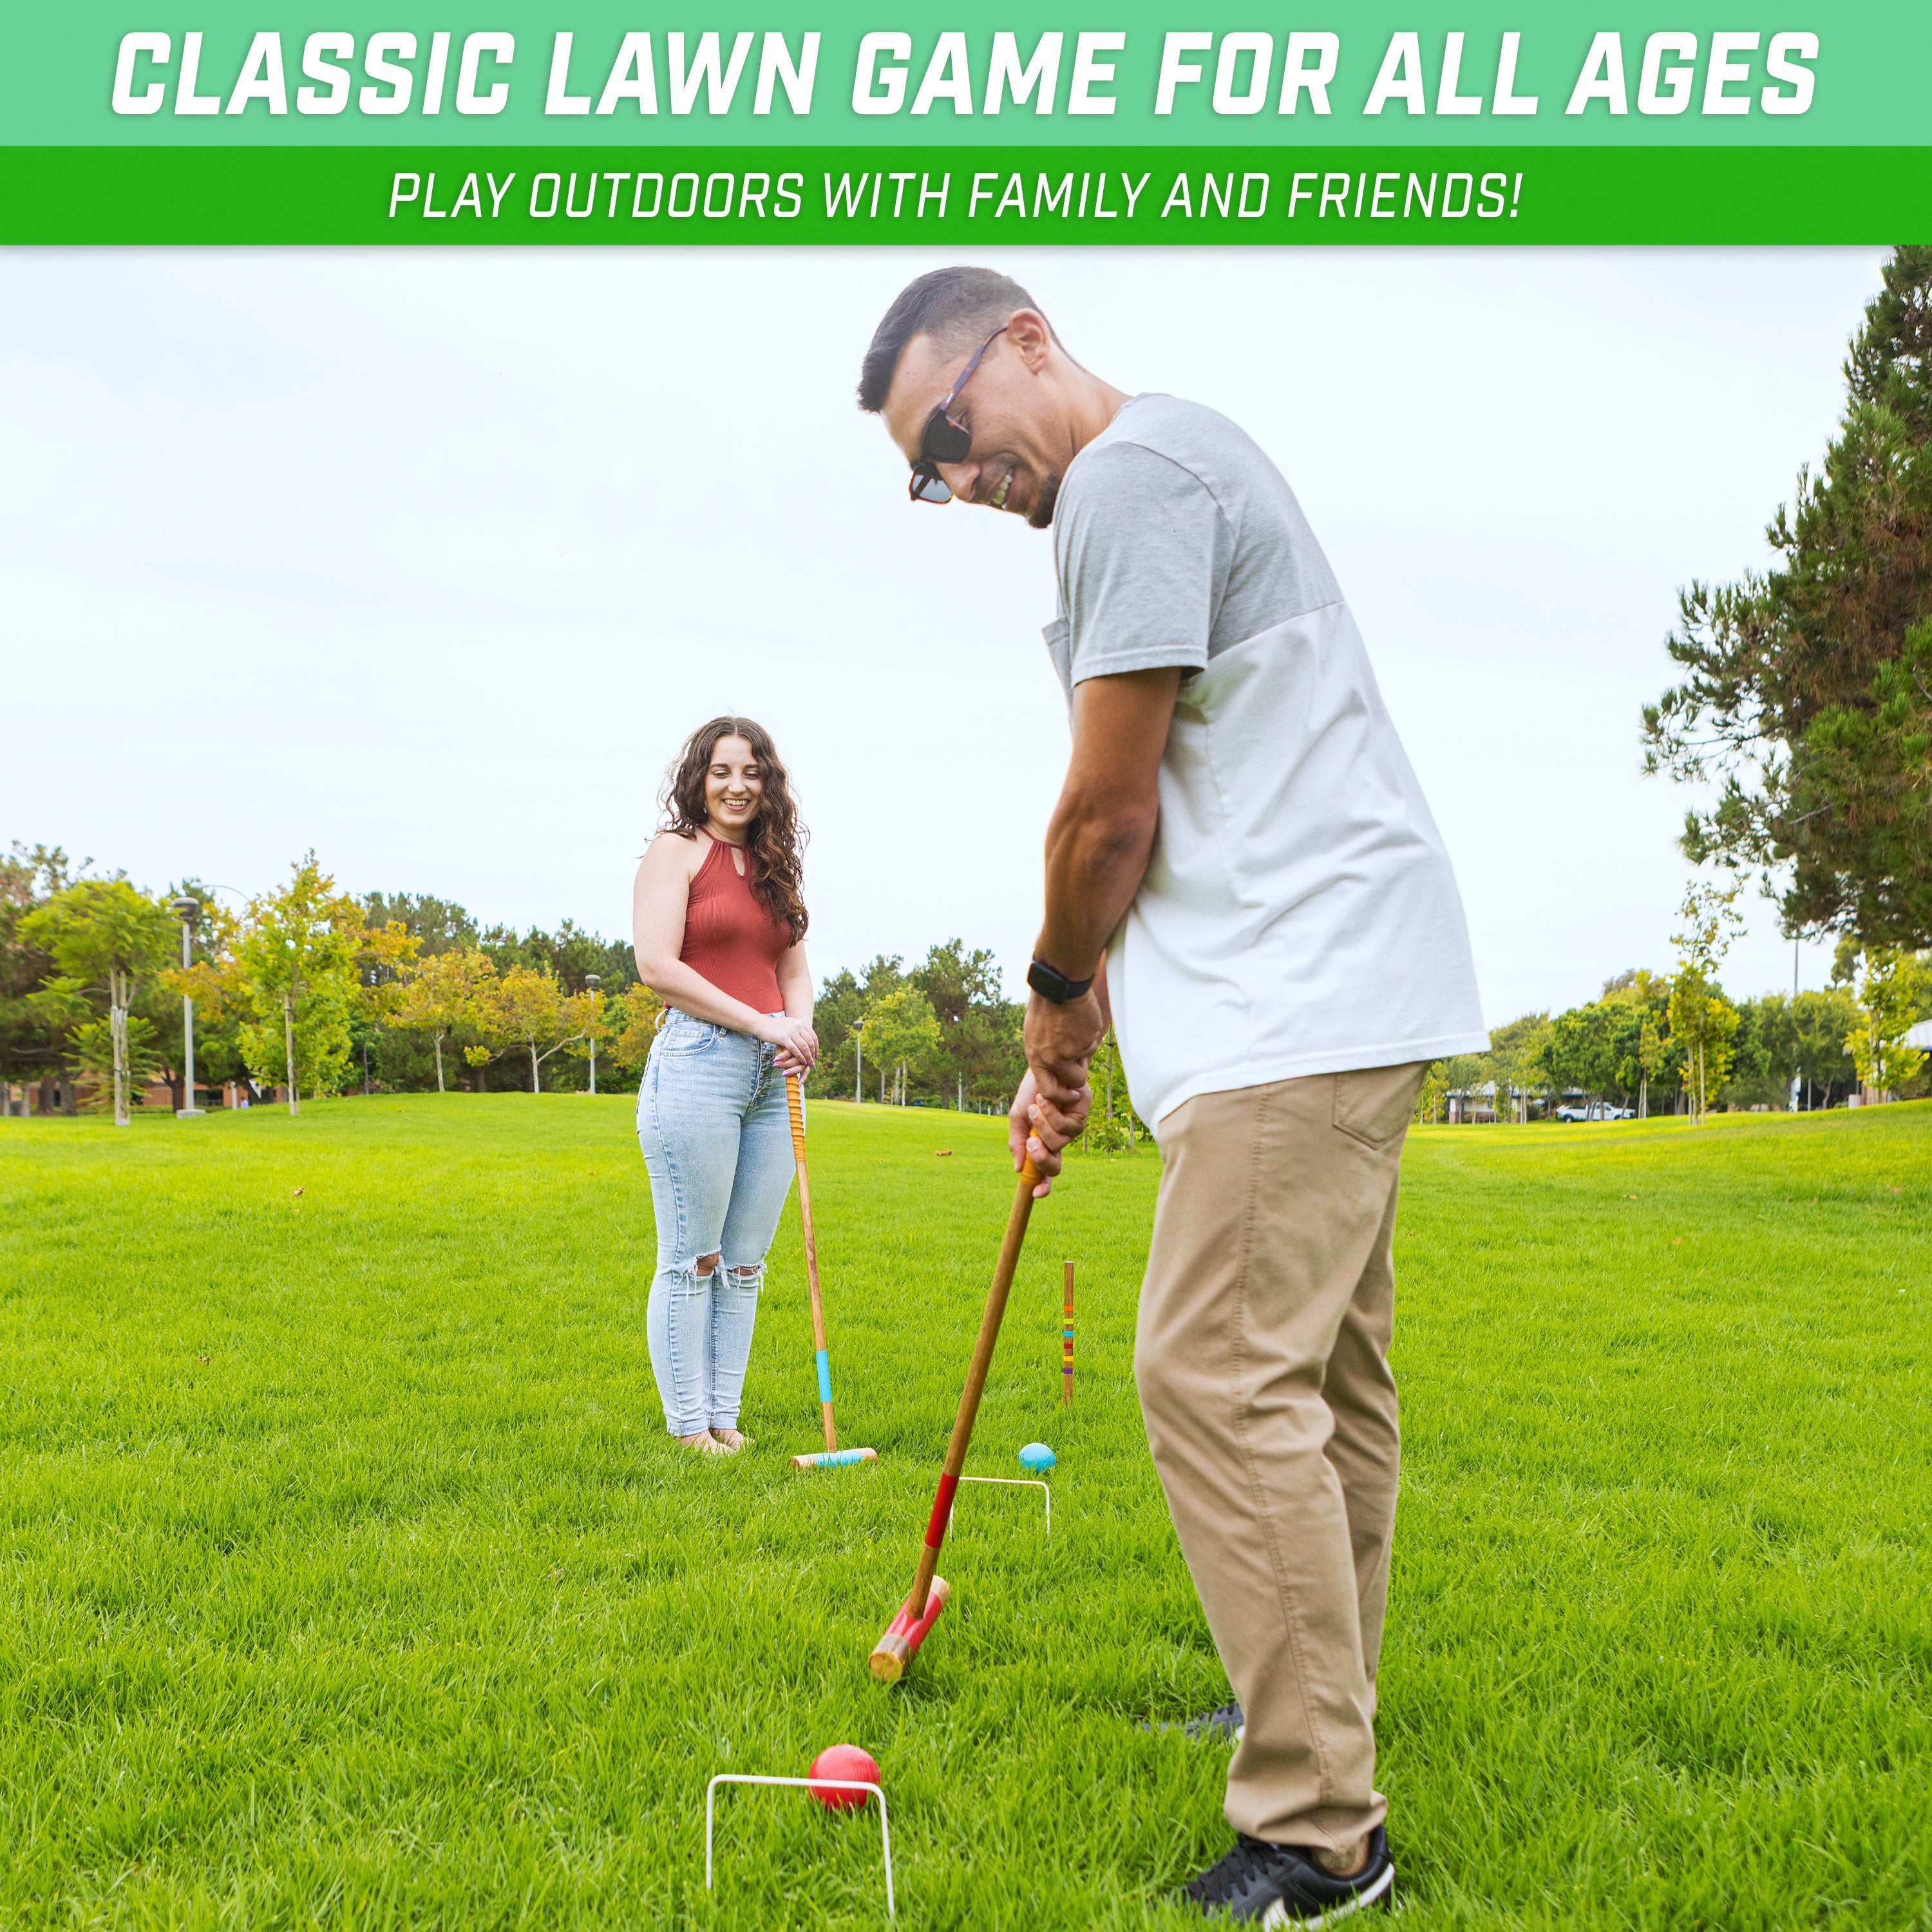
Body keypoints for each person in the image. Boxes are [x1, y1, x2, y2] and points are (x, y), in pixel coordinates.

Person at [858, 269, 1488, 1922]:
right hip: (1314, 987)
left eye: (947, 433)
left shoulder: (1129, 479)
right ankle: (1302, 1705)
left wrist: (1053, 998)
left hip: (1305, 992)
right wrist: (1071, 1049)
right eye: (923, 476)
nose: (951, 481)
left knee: (1211, 1369)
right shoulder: (1162, 479)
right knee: (1323, 1380)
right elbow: (1159, 823)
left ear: (1023, 341)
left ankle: (1317, 1828)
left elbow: (1105, 820)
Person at [630, 716, 819, 1455]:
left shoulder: (777, 868)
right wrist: (764, 1023)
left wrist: (797, 1030)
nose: (737, 785)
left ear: (768, 783)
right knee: (693, 1257)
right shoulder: (674, 853)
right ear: (699, 779)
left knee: (743, 1265)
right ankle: (688, 1431)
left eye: (752, 772)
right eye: (722, 771)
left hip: (773, 1077)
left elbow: (794, 968)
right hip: (699, 1063)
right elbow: (658, 966)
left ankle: (724, 1422)